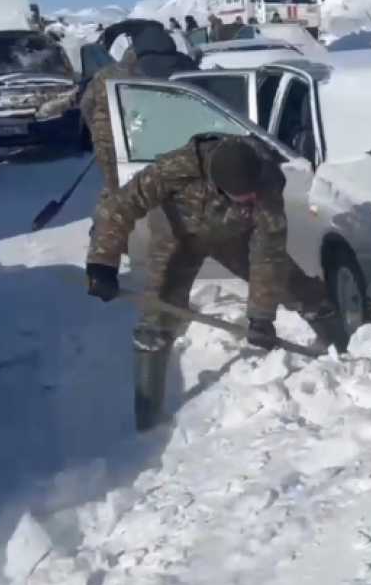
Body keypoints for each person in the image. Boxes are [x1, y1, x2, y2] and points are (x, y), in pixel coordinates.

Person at [84, 134, 348, 432]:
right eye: (243, 198)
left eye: (252, 196)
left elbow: (268, 250)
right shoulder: (178, 167)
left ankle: (347, 357)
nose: (251, 200)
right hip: (177, 238)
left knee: (300, 288)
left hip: (234, 237)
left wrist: (261, 316)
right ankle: (148, 422)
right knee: (157, 320)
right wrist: (102, 263)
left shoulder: (266, 179)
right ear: (218, 185)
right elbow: (121, 205)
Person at [80, 25, 198, 199]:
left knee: (121, 190)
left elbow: (86, 105)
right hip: (153, 140)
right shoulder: (183, 66)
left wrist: (97, 130)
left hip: (116, 139)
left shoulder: (107, 74)